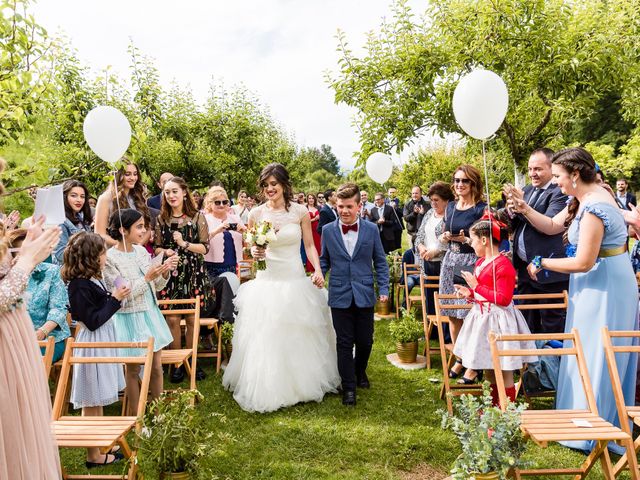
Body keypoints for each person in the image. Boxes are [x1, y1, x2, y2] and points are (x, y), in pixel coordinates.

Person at [510, 147, 638, 453]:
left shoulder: (595, 207)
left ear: (576, 174)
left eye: (558, 176)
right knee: (587, 347)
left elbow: (583, 261)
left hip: (604, 286)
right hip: (596, 283)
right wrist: (524, 207)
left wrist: (542, 262)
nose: (555, 183)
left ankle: (594, 426)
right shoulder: (588, 198)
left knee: (596, 350)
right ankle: (582, 418)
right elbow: (554, 226)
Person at [222, 163, 340, 413]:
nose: (269, 189)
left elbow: (309, 246)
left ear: (284, 185)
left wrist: (317, 270)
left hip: (295, 277)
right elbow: (252, 248)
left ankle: (302, 382)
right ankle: (270, 384)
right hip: (268, 279)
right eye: (265, 185)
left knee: (299, 330)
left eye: (273, 184)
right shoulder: (255, 213)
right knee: (267, 332)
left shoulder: (299, 212)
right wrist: (254, 251)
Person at [0, 215, 62, 479]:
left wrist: (26, 252)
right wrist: (27, 261)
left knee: (18, 431)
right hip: (5, 345)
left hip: (14, 339)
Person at [62, 231, 131, 468]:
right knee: (91, 401)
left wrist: (117, 297)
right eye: (102, 252)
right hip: (92, 344)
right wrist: (114, 299)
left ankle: (100, 441)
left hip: (102, 340)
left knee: (98, 398)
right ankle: (93, 455)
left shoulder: (93, 279)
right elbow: (93, 320)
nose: (105, 256)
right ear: (92, 255)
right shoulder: (79, 285)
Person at [452, 214, 537, 407]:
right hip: (482, 319)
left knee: (504, 368)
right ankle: (491, 408)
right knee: (488, 366)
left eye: (473, 240)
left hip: (500, 323)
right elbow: (484, 293)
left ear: (484, 240)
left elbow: (504, 298)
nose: (471, 244)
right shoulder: (481, 262)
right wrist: (470, 292)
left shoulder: (503, 265)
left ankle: (505, 411)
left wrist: (476, 286)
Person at [320, 182, 390, 406]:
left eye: (349, 206)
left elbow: (380, 261)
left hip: (364, 292)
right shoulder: (328, 230)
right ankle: (348, 387)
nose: (344, 211)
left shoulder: (370, 229)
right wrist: (319, 273)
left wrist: (384, 289)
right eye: (340, 206)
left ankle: (360, 371)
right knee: (344, 342)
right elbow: (324, 259)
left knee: (365, 341)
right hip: (339, 293)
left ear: (359, 206)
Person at [104, 209, 177, 415]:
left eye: (144, 226)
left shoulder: (142, 251)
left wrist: (164, 271)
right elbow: (122, 295)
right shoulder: (110, 259)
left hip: (150, 314)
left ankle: (159, 414)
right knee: (133, 369)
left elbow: (157, 286)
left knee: (155, 367)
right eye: (139, 226)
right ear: (123, 230)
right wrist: (147, 278)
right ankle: (137, 418)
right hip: (128, 318)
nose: (144, 230)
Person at [154, 176, 212, 383]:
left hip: (193, 273)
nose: (171, 196)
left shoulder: (197, 217)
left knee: (191, 319)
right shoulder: (161, 219)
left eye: (174, 191)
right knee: (172, 319)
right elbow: (157, 247)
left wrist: (185, 244)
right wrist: (167, 251)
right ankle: (177, 365)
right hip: (172, 273)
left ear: (184, 192)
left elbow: (205, 248)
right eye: (167, 192)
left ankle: (193, 362)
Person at [505, 148, 569, 334]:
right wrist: (510, 210)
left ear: (551, 168)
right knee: (526, 321)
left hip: (548, 269)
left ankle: (552, 361)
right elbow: (515, 223)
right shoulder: (526, 190)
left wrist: (523, 208)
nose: (533, 173)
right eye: (530, 169)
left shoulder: (560, 192)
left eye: (538, 169)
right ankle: (530, 362)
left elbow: (547, 225)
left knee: (551, 322)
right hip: (525, 267)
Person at [439, 165, 487, 384]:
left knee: (470, 315)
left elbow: (487, 242)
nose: (459, 185)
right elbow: (442, 233)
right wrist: (445, 238)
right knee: (452, 313)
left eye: (464, 181)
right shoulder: (450, 206)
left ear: (473, 184)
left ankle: (473, 364)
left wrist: (466, 239)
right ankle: (460, 358)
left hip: (470, 261)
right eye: (456, 180)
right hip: (450, 261)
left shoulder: (481, 208)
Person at [9, 229, 70, 363]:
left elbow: (58, 308)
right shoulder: (6, 275)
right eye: (17, 252)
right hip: (12, 340)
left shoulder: (51, 271)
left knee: (24, 361)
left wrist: (42, 331)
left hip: (48, 337)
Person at [202, 186, 243, 324]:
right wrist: (217, 230)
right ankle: (214, 329)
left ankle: (228, 327)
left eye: (224, 202)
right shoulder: (205, 219)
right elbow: (201, 241)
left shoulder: (235, 218)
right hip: (211, 268)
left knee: (231, 298)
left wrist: (244, 230)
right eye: (217, 202)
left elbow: (248, 239)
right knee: (217, 299)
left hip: (232, 266)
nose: (221, 205)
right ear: (210, 204)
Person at [414, 181, 453, 315]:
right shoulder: (429, 213)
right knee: (429, 296)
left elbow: (453, 240)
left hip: (444, 263)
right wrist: (421, 246)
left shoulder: (451, 216)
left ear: (446, 200)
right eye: (431, 200)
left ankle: (444, 330)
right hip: (427, 262)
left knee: (444, 296)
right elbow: (420, 234)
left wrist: (436, 250)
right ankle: (432, 331)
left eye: (436, 200)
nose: (433, 203)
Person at [95, 161, 151, 247]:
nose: (133, 178)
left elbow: (147, 228)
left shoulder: (139, 197)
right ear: (118, 176)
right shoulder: (105, 198)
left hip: (137, 252)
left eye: (135, 174)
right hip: (115, 253)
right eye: (127, 174)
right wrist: (123, 246)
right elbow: (100, 234)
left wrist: (138, 245)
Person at [54, 179, 93, 264]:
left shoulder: (82, 219)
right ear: (64, 197)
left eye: (82, 196)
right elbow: (60, 255)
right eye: (74, 195)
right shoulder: (61, 222)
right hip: (67, 273)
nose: (79, 200)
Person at [306, 193, 322, 272]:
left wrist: (318, 219)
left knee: (318, 247)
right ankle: (311, 266)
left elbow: (322, 219)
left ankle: (319, 266)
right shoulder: (305, 208)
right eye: (309, 198)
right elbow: (304, 221)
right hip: (309, 230)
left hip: (317, 230)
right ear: (307, 199)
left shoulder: (318, 208)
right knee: (310, 247)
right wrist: (314, 219)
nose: (311, 200)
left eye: (312, 198)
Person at [386, 186, 405, 250]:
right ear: (388, 193)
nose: (392, 194)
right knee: (388, 244)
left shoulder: (400, 201)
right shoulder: (384, 201)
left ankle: (399, 257)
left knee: (397, 244)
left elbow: (403, 213)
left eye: (394, 192)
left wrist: (396, 208)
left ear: (396, 193)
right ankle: (390, 257)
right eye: (390, 192)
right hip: (387, 226)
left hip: (397, 226)